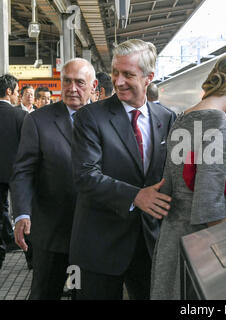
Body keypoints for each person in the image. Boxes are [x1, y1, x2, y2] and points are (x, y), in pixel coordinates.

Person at [150, 50, 226, 300]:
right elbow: (209, 205)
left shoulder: (184, 117)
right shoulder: (218, 122)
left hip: (173, 240)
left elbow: (169, 185)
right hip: (200, 248)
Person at [70, 39, 176, 300]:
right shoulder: (90, 117)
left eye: (128, 74)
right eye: (116, 72)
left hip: (149, 245)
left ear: (149, 77)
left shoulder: (167, 118)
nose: (118, 81)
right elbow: (85, 175)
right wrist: (136, 196)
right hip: (100, 246)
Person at [10, 58, 98, 299]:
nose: (72, 88)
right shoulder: (39, 120)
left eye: (80, 82)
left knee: (87, 292)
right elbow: (24, 171)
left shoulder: (106, 119)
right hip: (52, 232)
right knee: (45, 292)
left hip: (95, 233)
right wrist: (22, 213)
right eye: (67, 81)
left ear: (93, 86)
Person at [0, 74, 25, 270]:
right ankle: (31, 255)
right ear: (9, 92)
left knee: (1, 212)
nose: (18, 96)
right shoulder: (21, 116)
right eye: (17, 92)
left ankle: (4, 245)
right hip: (18, 174)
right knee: (23, 211)